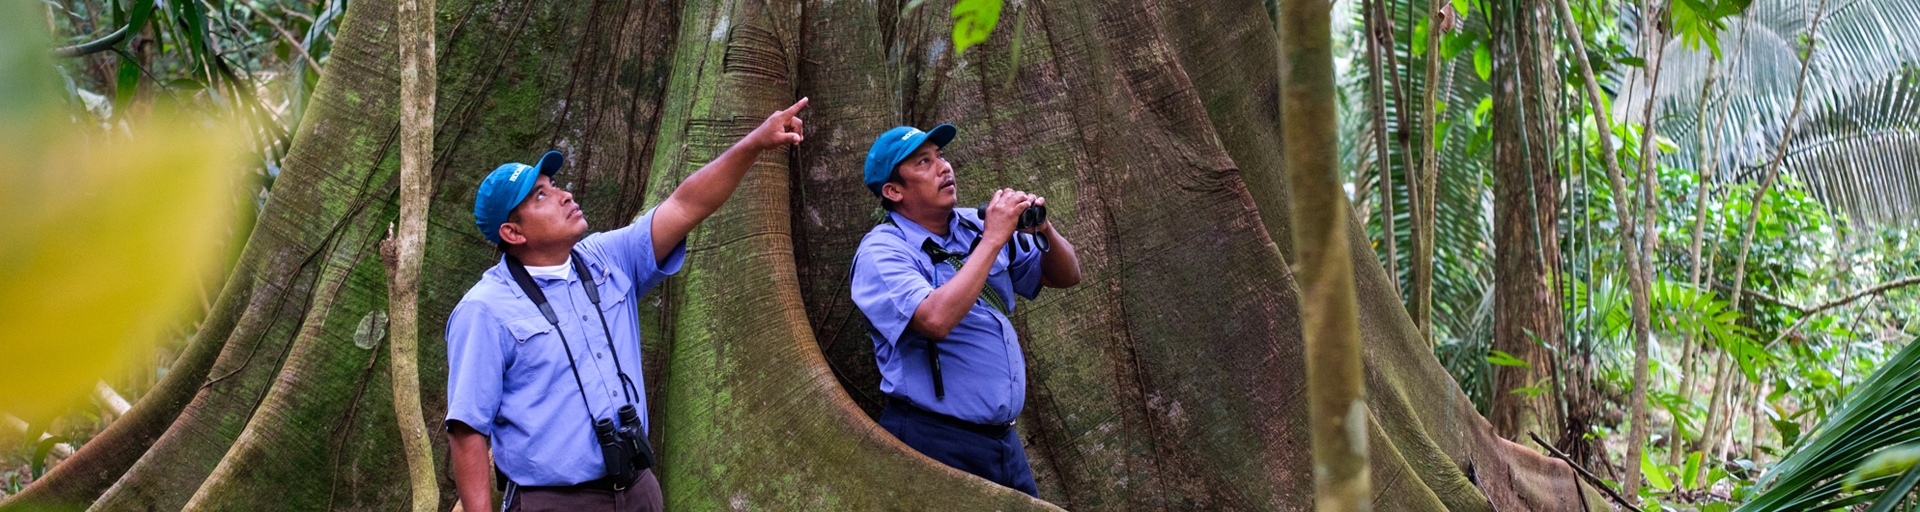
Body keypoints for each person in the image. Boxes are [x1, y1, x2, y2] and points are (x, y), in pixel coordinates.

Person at [444, 99, 809, 512]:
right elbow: (467, 429)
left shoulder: (606, 259)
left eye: (555, 184)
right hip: (556, 502)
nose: (564, 195)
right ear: (512, 232)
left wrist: (755, 143)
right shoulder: (485, 309)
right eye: (541, 196)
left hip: (639, 489)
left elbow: (686, 205)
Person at [848, 124, 1082, 497]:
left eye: (940, 155)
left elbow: (1067, 275)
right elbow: (935, 319)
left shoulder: (974, 225)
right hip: (934, 443)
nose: (944, 167)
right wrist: (993, 239)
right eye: (924, 162)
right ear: (893, 191)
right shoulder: (882, 252)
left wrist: (1043, 226)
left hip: (1003, 443)